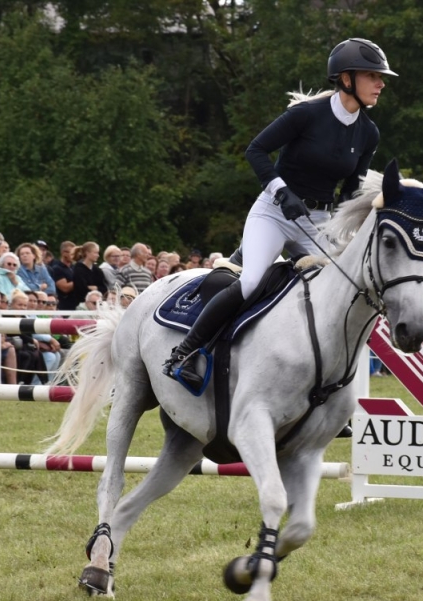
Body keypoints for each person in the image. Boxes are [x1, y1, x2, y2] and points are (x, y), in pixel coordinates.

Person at [164, 37, 395, 388]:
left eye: (380, 77)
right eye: (372, 76)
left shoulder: (369, 133)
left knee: (342, 291)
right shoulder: (306, 114)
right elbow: (255, 150)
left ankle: (329, 386)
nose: (381, 83)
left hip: (317, 223)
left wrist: (347, 226)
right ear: (346, 78)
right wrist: (281, 190)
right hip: (273, 212)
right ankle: (186, 351)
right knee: (252, 281)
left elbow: (350, 190)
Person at [49, 241, 77, 311]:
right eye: (72, 253)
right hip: (65, 306)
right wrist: (80, 280)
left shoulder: (74, 267)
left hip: (75, 303)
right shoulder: (57, 268)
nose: (74, 256)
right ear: (64, 253)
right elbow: (65, 288)